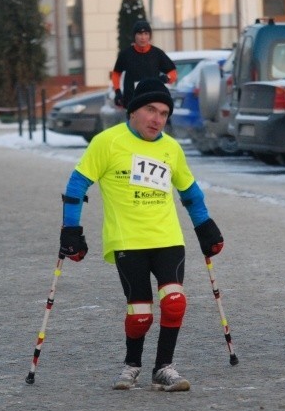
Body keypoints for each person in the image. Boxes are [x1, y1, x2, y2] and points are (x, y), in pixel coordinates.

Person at [59, 78, 224, 391]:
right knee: (140, 314)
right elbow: (77, 186)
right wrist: (71, 230)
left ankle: (164, 368)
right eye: (150, 110)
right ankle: (132, 364)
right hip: (128, 241)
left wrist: (205, 226)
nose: (157, 119)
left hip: (167, 238)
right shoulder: (107, 142)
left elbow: (190, 192)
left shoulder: (171, 148)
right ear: (133, 111)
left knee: (174, 302)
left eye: (163, 113)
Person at [111, 20, 177, 109]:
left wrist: (167, 78)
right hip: (132, 101)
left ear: (150, 36)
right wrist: (118, 92)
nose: (143, 37)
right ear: (134, 36)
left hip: (152, 100)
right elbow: (116, 74)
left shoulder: (157, 53)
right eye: (139, 34)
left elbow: (173, 73)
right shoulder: (126, 54)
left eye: (146, 34)